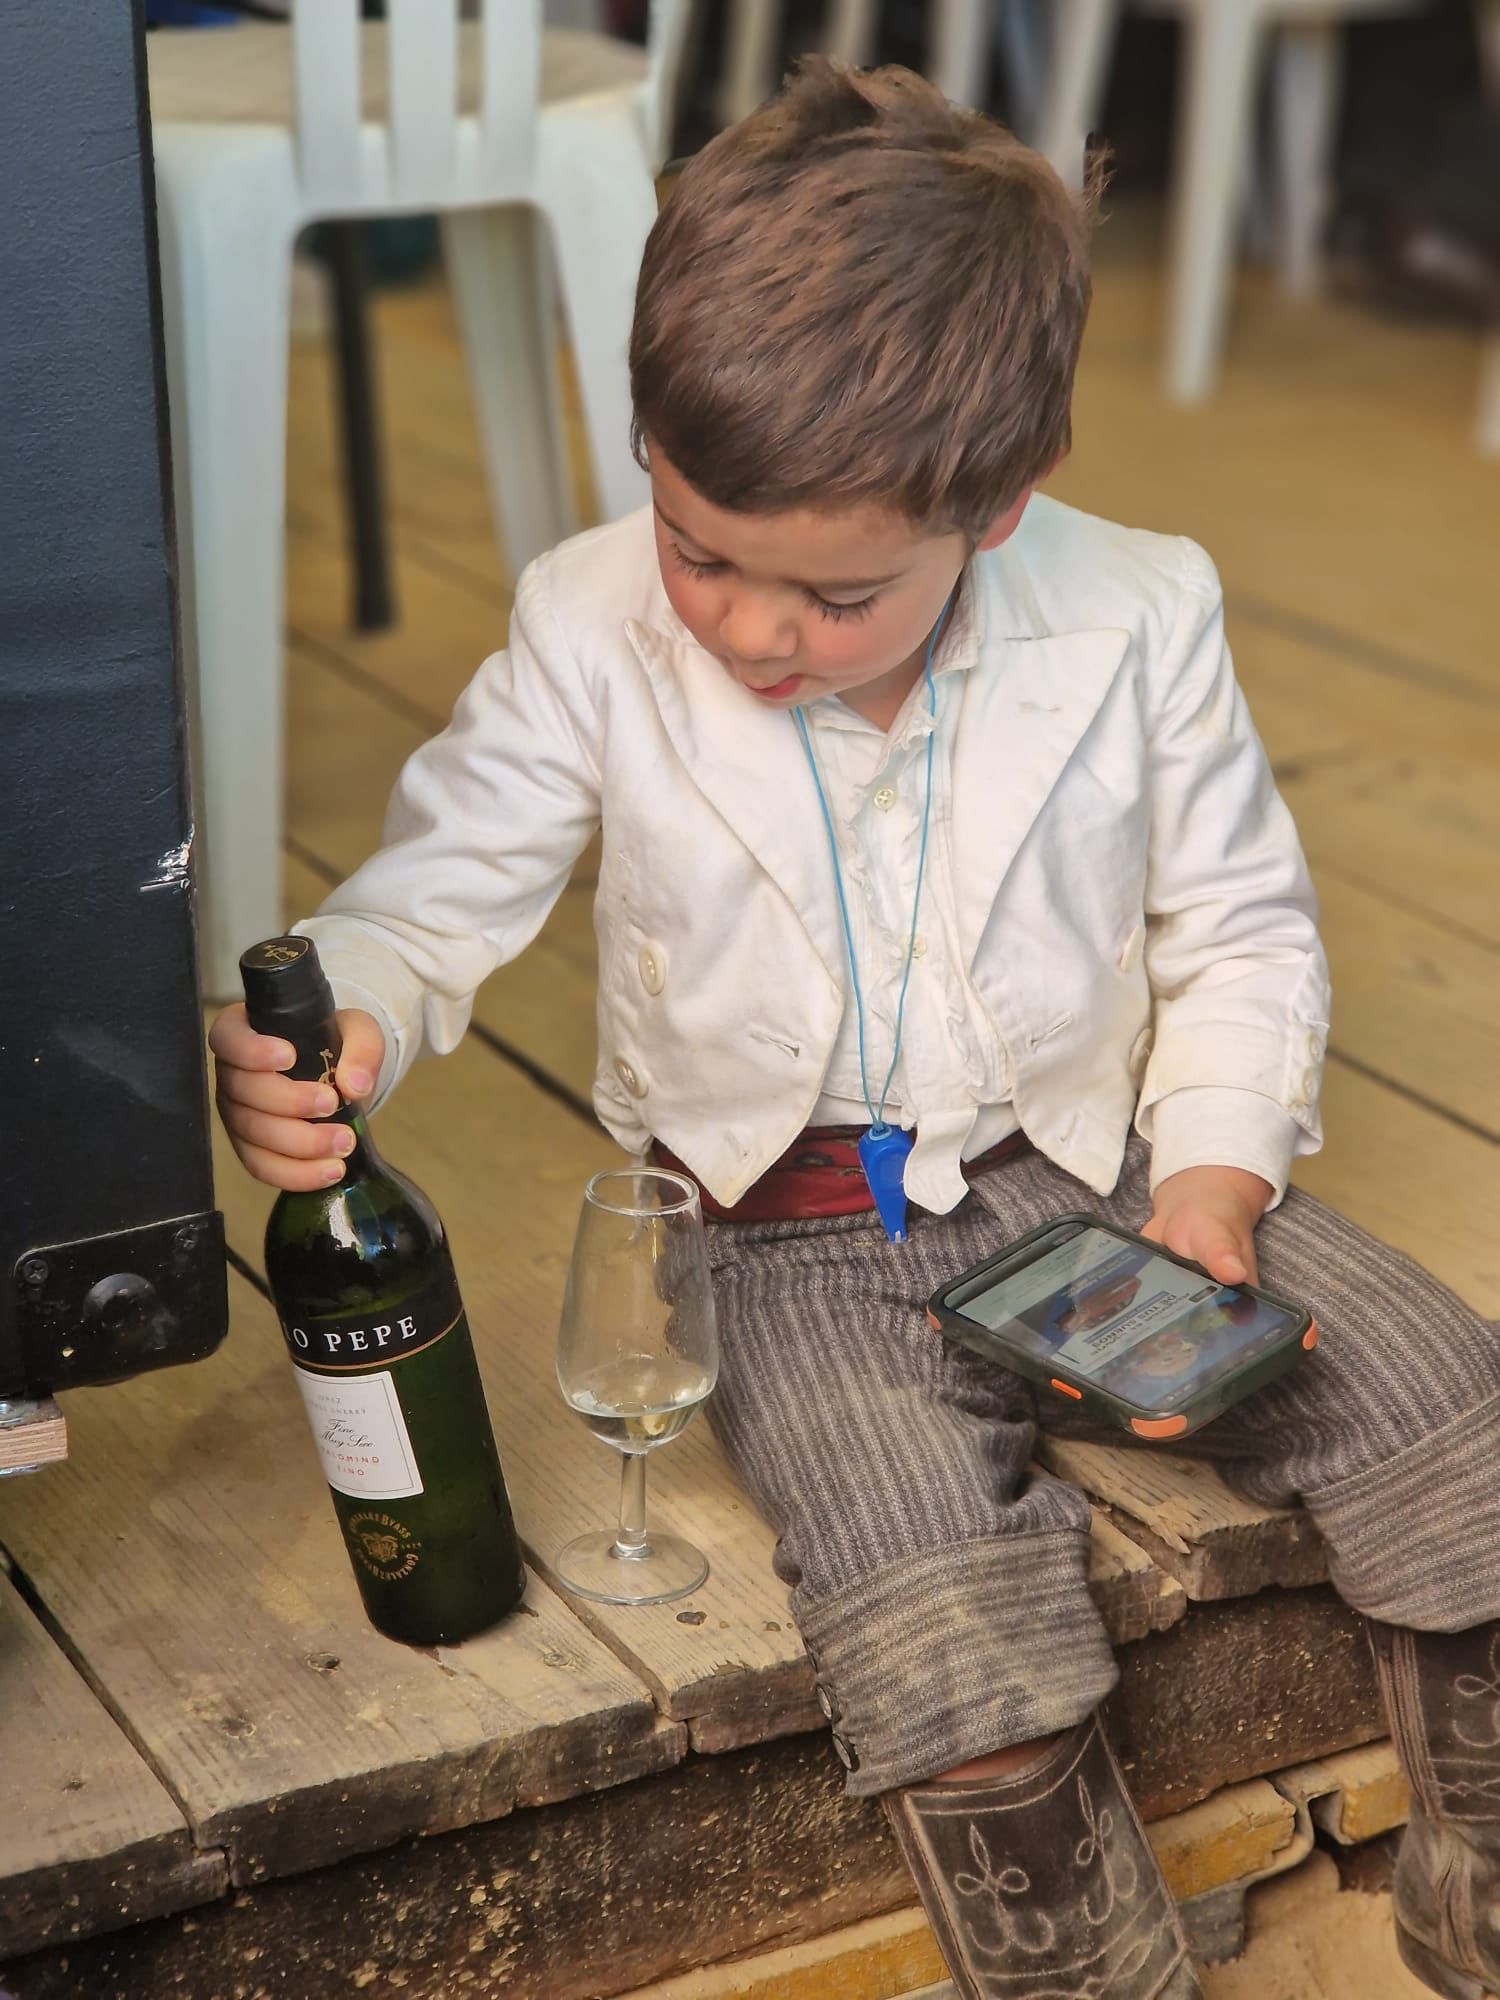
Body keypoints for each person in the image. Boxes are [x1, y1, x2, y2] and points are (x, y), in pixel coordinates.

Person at [210, 61, 1500, 2000]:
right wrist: (356, 1008)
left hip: (1103, 1166)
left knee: (1449, 1395)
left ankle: (1475, 1863)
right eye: (696, 542)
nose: (741, 628)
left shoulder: (1141, 608)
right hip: (783, 1225)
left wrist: (1217, 1178)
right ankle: (1083, 1969)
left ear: (1004, 497)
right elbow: (434, 884)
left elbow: (1238, 924)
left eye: (831, 591)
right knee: (917, 1576)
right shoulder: (586, 623)